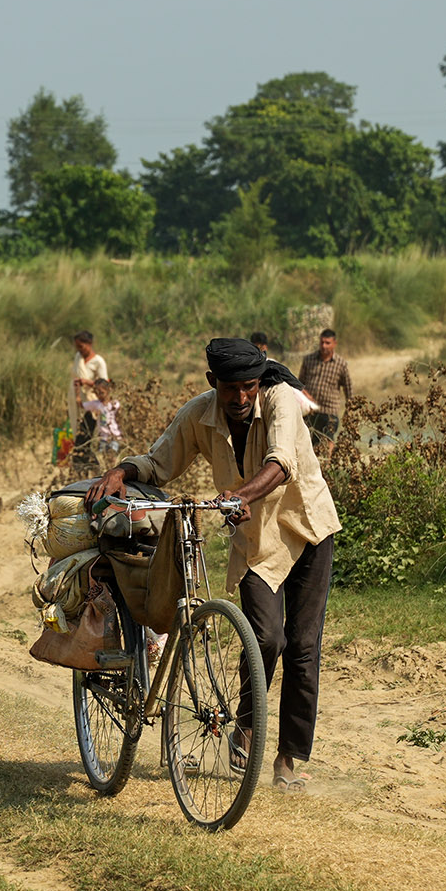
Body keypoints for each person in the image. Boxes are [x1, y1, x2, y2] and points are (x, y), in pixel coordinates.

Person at [92, 336, 340, 795]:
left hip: (308, 528)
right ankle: (245, 726)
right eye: (231, 389)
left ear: (259, 382)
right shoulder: (200, 413)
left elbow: (282, 463)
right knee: (265, 637)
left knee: (304, 647)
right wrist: (122, 472)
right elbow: (160, 461)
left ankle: (287, 760)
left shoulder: (281, 398)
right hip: (256, 539)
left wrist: (238, 495)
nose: (241, 398)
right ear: (214, 383)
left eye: (249, 387)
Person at [298, 328, 351, 450]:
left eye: (327, 343)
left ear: (334, 344)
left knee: (328, 441)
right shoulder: (309, 360)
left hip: (330, 410)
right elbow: (299, 384)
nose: (324, 346)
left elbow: (348, 387)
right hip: (310, 410)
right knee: (309, 443)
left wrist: (350, 409)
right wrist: (306, 395)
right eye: (322, 342)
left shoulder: (341, 364)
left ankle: (327, 466)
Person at [69, 330, 110, 471]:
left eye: (81, 346)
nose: (79, 350)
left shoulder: (98, 361)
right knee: (81, 441)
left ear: (90, 344)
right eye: (77, 347)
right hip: (79, 403)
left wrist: (87, 382)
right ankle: (88, 472)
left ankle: (94, 470)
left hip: (93, 406)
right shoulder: (78, 358)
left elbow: (104, 384)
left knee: (82, 443)